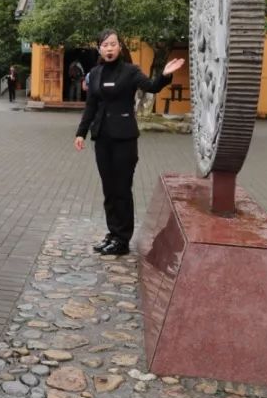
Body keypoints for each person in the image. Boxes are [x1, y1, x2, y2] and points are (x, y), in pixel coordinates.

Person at [73, 29, 184, 256]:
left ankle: (122, 239)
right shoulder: (95, 73)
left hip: (124, 139)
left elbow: (151, 86)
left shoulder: (130, 71)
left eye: (113, 44)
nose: (109, 48)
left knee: (122, 189)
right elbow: (91, 106)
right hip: (102, 138)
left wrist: (164, 75)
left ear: (120, 47)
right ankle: (113, 233)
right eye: (105, 45)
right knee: (109, 189)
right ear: (99, 49)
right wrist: (81, 133)